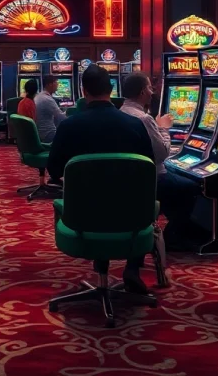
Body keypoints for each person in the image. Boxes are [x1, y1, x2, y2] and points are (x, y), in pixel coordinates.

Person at [47, 65, 155, 294]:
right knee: (134, 198)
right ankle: (132, 268)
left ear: (83, 90)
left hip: (83, 216)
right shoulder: (135, 124)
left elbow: (54, 170)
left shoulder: (69, 126)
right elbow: (150, 168)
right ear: (112, 88)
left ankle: (101, 263)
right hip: (131, 217)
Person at [120, 72, 207, 250]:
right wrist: (164, 129)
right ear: (143, 91)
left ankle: (180, 228)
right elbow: (163, 153)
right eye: (150, 88)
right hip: (153, 177)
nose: (152, 92)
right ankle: (174, 235)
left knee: (178, 175)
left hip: (134, 177)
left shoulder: (122, 111)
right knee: (191, 186)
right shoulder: (144, 118)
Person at [35, 75, 67, 142]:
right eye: (56, 82)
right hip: (48, 135)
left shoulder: (39, 96)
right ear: (50, 84)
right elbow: (61, 118)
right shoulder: (47, 99)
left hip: (39, 134)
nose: (58, 84)